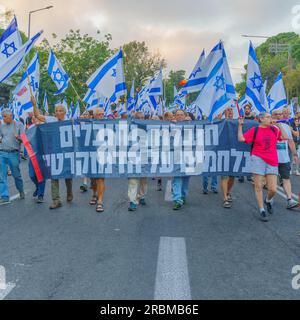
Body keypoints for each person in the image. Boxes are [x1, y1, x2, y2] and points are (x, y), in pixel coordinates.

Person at [238, 112, 288, 222]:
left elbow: (285, 137)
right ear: (261, 119)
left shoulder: (274, 129)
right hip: (258, 159)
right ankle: (262, 210)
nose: (271, 118)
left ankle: (268, 200)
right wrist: (240, 125)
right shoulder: (255, 130)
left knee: (273, 189)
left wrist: (279, 126)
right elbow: (241, 139)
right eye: (268, 117)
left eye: (271, 116)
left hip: (272, 160)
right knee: (258, 186)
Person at [32, 96, 73, 209]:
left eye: (60, 111)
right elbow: (37, 116)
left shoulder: (70, 121)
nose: (58, 112)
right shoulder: (51, 120)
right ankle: (56, 200)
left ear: (64, 112)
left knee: (67, 175)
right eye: (56, 111)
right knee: (54, 175)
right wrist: (35, 104)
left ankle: (69, 192)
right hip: (54, 152)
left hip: (66, 152)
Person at [272, 109, 299, 209]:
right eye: (277, 114)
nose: (279, 116)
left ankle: (289, 200)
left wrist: (295, 154)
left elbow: (291, 142)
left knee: (286, 179)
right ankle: (269, 199)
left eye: (280, 114)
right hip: (271, 159)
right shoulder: (268, 127)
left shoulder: (287, 127)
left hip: (284, 158)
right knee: (272, 182)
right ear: (272, 115)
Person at [0, 108, 25, 205]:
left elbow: (24, 139)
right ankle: (4, 196)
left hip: (13, 153)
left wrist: (18, 137)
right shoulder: (1, 125)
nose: (3, 119)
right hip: (2, 152)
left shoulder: (19, 125)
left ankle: (21, 190)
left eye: (5, 117)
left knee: (16, 174)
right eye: (3, 117)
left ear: (11, 116)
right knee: (2, 176)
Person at [128, 112, 148, 212]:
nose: (141, 119)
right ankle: (133, 201)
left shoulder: (149, 128)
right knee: (133, 180)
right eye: (138, 118)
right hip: (133, 159)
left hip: (145, 158)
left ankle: (141, 195)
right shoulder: (129, 129)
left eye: (142, 117)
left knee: (144, 180)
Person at [172, 109, 190, 210]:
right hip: (176, 155)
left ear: (184, 115)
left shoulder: (191, 125)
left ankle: (183, 195)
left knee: (186, 177)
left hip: (188, 155)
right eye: (177, 115)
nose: (179, 116)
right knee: (177, 177)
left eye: (181, 115)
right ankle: (177, 200)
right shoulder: (171, 125)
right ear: (175, 116)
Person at [89, 108, 106, 213]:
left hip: (103, 155)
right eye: (99, 114)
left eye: (102, 114)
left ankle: (100, 201)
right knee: (93, 178)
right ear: (94, 116)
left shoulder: (107, 125)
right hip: (91, 155)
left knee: (100, 178)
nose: (101, 116)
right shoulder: (89, 126)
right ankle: (94, 193)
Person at [221, 108, 235, 209]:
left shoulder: (237, 122)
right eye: (227, 110)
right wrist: (225, 118)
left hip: (234, 152)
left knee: (232, 176)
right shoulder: (220, 123)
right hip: (222, 152)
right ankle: (225, 198)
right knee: (224, 176)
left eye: (231, 110)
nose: (230, 111)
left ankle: (228, 191)